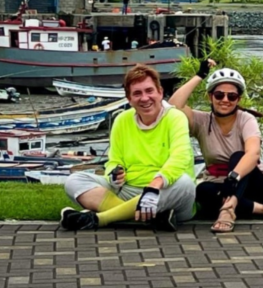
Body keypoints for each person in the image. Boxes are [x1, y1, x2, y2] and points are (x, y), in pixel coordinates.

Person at [60, 64, 196, 231]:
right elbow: (114, 160)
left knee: (185, 183)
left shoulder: (176, 117)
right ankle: (146, 217)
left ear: (160, 92)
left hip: (164, 192)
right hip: (129, 189)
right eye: (137, 93)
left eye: (149, 91)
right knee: (74, 181)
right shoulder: (122, 120)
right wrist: (114, 174)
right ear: (129, 99)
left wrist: (155, 185)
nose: (145, 98)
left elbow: (180, 157)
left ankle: (100, 218)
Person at [169, 59, 263, 233]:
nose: (225, 100)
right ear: (210, 96)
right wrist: (200, 75)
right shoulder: (201, 121)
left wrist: (233, 178)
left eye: (231, 96)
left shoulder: (246, 119)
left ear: (238, 99)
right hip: (218, 185)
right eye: (219, 95)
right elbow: (173, 106)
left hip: (253, 184)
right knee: (203, 191)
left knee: (238, 156)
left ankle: (228, 211)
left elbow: (253, 153)